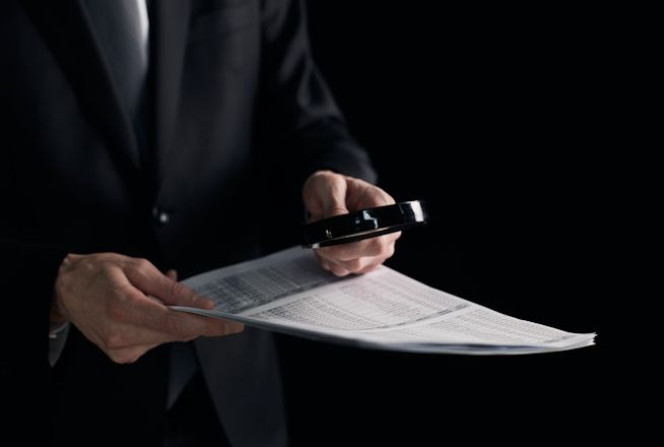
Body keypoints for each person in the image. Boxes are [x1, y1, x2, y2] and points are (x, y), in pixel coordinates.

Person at [0, 0, 400, 445]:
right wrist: (54, 286)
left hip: (237, 399)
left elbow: (306, 119)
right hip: (51, 405)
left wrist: (335, 180)